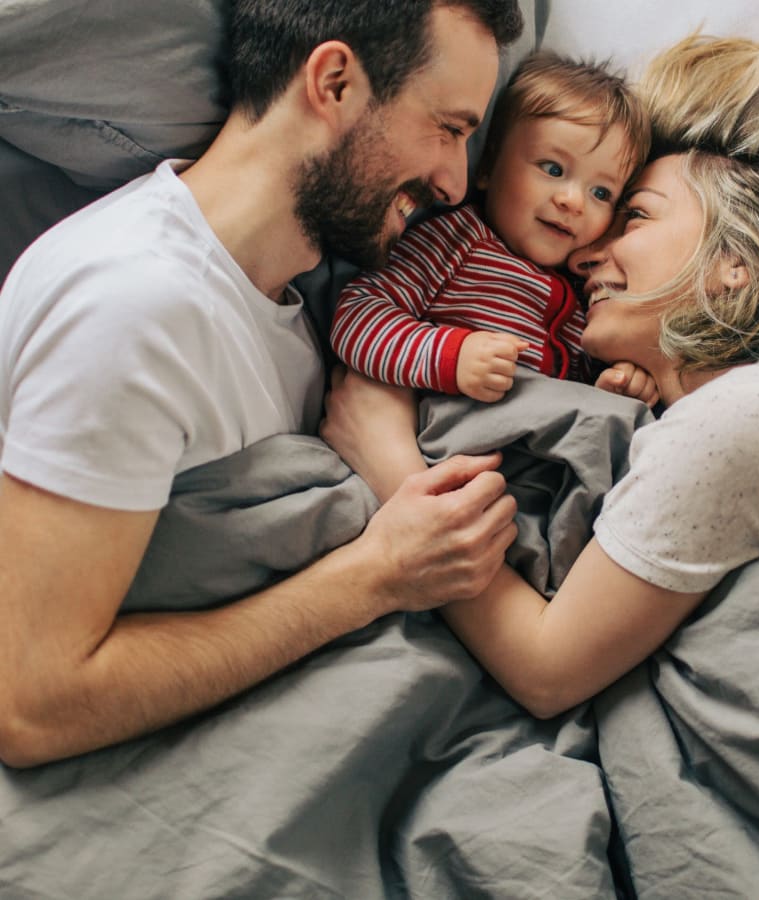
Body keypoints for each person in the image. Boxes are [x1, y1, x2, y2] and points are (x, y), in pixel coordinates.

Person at [321, 8, 759, 719]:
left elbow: (546, 670)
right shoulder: (717, 411)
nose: (589, 249)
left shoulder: (755, 410)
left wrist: (389, 462)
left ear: (735, 265)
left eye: (631, 216)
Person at [0, 0, 525, 769]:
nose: (454, 182)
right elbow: (32, 703)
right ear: (335, 82)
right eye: (448, 129)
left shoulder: (291, 306)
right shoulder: (134, 306)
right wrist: (377, 577)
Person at [330, 51, 656, 406]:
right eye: (553, 169)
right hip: (442, 425)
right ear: (486, 167)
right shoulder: (454, 242)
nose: (574, 202)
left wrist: (613, 384)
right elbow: (356, 315)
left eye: (600, 193)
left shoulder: (585, 287)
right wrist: (453, 358)